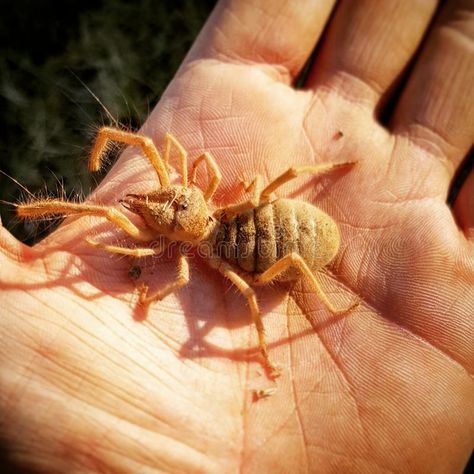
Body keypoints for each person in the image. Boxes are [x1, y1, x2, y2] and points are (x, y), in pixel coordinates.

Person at [0, 1, 473, 472]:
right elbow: (159, 157)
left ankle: (319, 275)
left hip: (269, 239)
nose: (161, 200)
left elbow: (219, 274)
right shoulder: (187, 210)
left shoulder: (186, 247)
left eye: (173, 197)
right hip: (238, 229)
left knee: (260, 249)